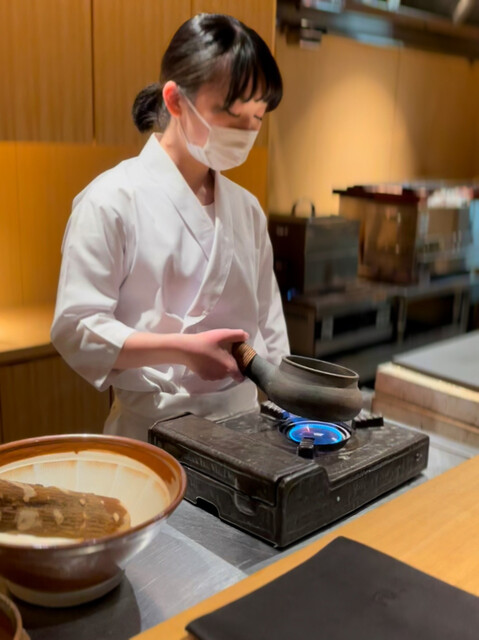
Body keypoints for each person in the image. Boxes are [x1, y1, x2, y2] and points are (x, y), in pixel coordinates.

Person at [51, 13, 289, 441]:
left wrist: (290, 411)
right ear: (176, 101)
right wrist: (183, 350)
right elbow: (76, 327)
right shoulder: (111, 201)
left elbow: (270, 330)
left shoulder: (247, 210)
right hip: (150, 435)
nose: (246, 132)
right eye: (232, 114)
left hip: (244, 433)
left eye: (257, 118)